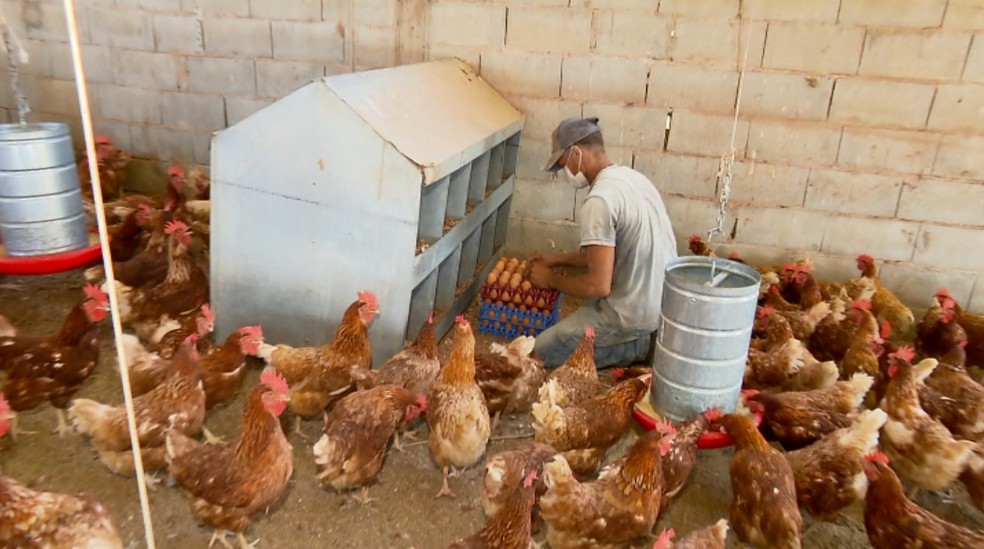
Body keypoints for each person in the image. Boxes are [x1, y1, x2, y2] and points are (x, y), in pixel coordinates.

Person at [526, 116, 677, 369]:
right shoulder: (633, 179)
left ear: (576, 153)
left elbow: (598, 285)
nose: (566, 173)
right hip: (662, 309)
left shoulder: (600, 200)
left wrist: (550, 279)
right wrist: (557, 258)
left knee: (534, 356)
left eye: (563, 164)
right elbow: (608, 256)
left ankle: (635, 347)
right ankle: (642, 341)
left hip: (630, 319)